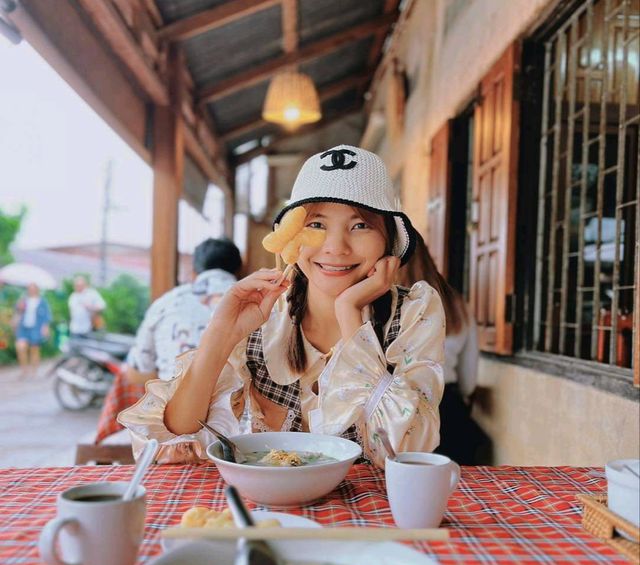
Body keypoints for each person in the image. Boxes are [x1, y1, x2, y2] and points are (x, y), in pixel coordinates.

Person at [119, 145, 446, 467]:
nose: (335, 248)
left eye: (360, 225)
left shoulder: (413, 311)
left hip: (376, 501)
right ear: (290, 238)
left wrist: (349, 314)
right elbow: (176, 437)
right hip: (270, 498)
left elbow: (407, 450)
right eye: (316, 224)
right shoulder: (266, 316)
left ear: (388, 240)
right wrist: (221, 333)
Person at [397, 234, 489, 465]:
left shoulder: (384, 301)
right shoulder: (456, 304)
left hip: (399, 405)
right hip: (449, 409)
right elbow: (469, 380)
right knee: (454, 481)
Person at [124, 237, 242, 385]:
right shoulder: (256, 302)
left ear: (193, 271)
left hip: (174, 395)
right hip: (240, 398)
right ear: (240, 270)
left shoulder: (166, 303)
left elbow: (136, 371)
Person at [14, 282, 52, 377]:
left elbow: (46, 316)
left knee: (34, 350)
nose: (31, 290)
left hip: (36, 328)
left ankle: (34, 370)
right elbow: (17, 311)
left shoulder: (42, 301)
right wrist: (19, 307)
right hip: (23, 328)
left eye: (33, 288)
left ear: (37, 290)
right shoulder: (23, 300)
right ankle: (24, 370)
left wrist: (45, 328)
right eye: (30, 289)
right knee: (20, 347)